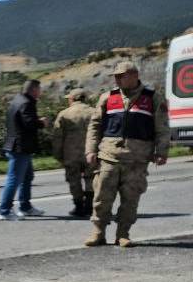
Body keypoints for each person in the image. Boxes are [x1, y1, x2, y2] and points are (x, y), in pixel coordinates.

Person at [84, 61, 170, 247]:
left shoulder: (153, 98)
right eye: (115, 76)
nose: (117, 79)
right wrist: (90, 150)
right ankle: (98, 232)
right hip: (109, 156)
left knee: (130, 199)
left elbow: (162, 128)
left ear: (134, 75)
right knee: (102, 196)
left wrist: (161, 151)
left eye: (121, 75)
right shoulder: (107, 97)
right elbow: (95, 126)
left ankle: (123, 234)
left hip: (137, 159)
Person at [0, 79, 46, 220]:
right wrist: (41, 122)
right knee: (14, 179)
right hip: (20, 147)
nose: (40, 92)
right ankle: (5, 211)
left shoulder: (17, 100)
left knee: (27, 177)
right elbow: (29, 123)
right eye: (39, 89)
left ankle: (25, 207)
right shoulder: (27, 103)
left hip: (16, 145)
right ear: (34, 90)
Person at [51, 89, 96, 217]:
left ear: (72, 99)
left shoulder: (64, 114)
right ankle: (89, 205)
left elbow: (57, 137)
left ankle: (78, 206)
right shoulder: (94, 112)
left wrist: (58, 154)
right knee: (91, 178)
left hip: (71, 153)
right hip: (90, 151)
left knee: (73, 179)